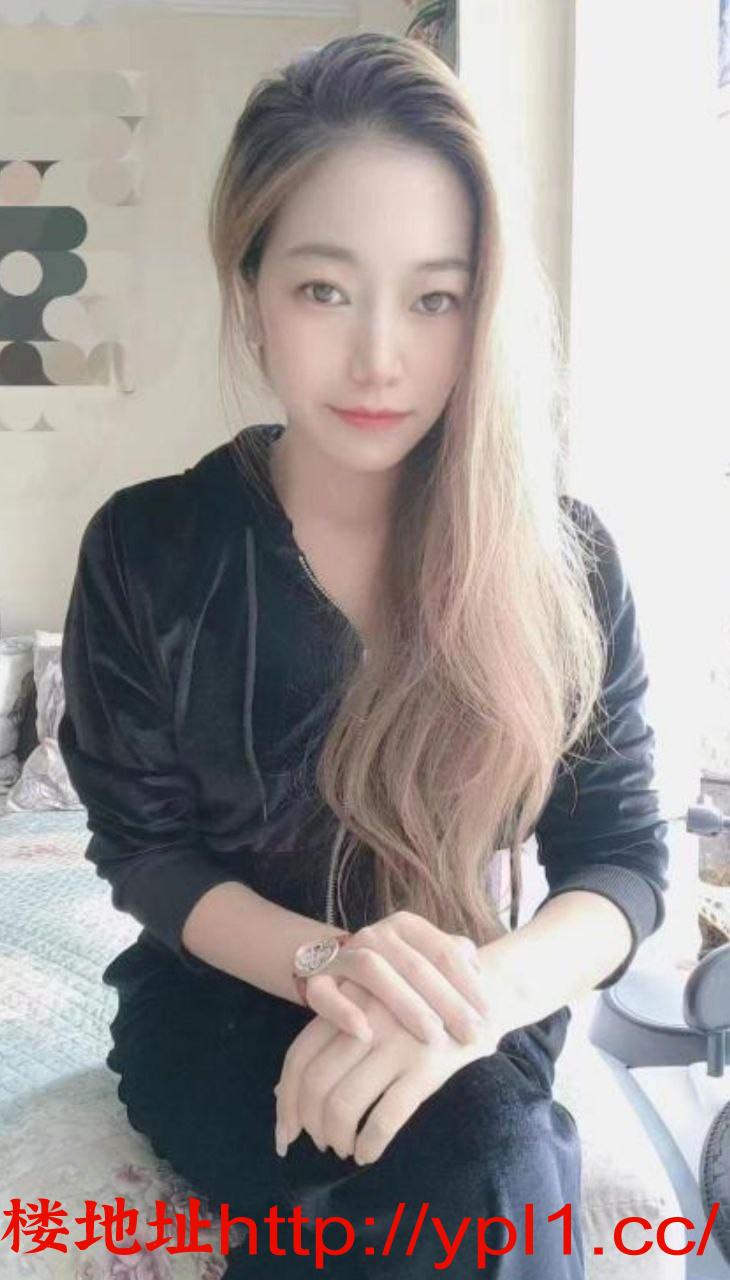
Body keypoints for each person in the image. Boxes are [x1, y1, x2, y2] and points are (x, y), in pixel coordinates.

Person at [58, 31, 670, 1278]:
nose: (380, 356)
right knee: (470, 1169)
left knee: (481, 1144)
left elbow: (617, 857)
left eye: (434, 297)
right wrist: (333, 964)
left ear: (482, 307)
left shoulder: (561, 557)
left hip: (476, 994)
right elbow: (148, 852)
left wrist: (476, 999)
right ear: (252, 286)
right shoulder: (149, 547)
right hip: (222, 1004)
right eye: (325, 290)